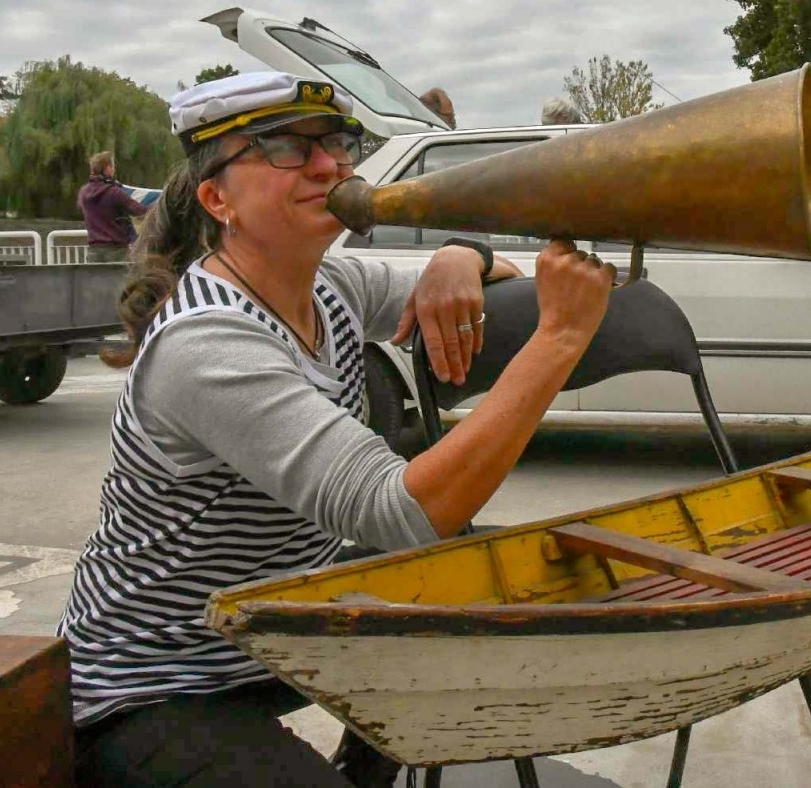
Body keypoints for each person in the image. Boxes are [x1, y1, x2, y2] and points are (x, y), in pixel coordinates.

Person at [58, 70, 615, 787]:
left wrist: (459, 255)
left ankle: (369, 767)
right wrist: (560, 338)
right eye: (285, 148)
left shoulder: (330, 283)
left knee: (473, 582)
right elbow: (406, 513)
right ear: (216, 197)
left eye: (337, 143)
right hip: (154, 684)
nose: (330, 165)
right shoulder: (205, 344)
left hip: (269, 631)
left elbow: (491, 273)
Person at [78, 151, 149, 262]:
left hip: (94, 252)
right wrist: (159, 205)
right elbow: (139, 211)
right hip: (117, 251)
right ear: (108, 169)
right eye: (112, 166)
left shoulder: (83, 192)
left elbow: (82, 208)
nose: (113, 169)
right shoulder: (114, 192)